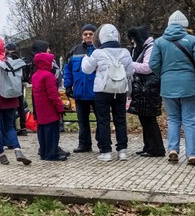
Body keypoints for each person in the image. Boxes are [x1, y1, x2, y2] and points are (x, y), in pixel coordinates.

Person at [81, 24, 134, 161]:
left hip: (102, 89)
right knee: (120, 119)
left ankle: (106, 151)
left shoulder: (98, 53)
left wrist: (85, 59)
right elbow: (130, 72)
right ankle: (122, 150)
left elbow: (87, 69)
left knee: (103, 120)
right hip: (121, 89)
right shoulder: (125, 52)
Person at [150, 11, 195, 165]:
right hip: (190, 84)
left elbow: (153, 65)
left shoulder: (159, 42)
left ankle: (173, 150)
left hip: (168, 85)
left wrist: (165, 74)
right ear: (185, 25)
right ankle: (192, 154)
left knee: (173, 118)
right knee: (190, 120)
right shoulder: (192, 40)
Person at [0, 37, 32, 166]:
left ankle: (1, 154)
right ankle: (17, 149)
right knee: (10, 126)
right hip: (11, 99)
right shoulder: (9, 62)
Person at [127, 26, 164, 158]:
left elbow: (147, 67)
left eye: (133, 39)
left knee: (149, 118)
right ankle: (148, 146)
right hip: (143, 88)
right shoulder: (141, 48)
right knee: (144, 117)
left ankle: (156, 148)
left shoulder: (150, 48)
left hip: (149, 87)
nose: (132, 42)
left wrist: (129, 64)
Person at [64, 24, 98, 153]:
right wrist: (68, 85)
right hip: (79, 91)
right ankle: (84, 144)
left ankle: (102, 143)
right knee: (82, 121)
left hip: (96, 91)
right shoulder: (74, 50)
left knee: (101, 119)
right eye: (85, 34)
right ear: (82, 36)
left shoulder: (99, 49)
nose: (88, 36)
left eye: (91, 34)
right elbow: (67, 69)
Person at [31, 52, 66, 161]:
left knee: (42, 131)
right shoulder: (48, 76)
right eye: (50, 62)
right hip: (49, 108)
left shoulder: (35, 75)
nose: (52, 64)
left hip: (40, 108)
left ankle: (44, 152)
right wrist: (60, 107)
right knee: (52, 132)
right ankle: (52, 154)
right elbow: (53, 95)